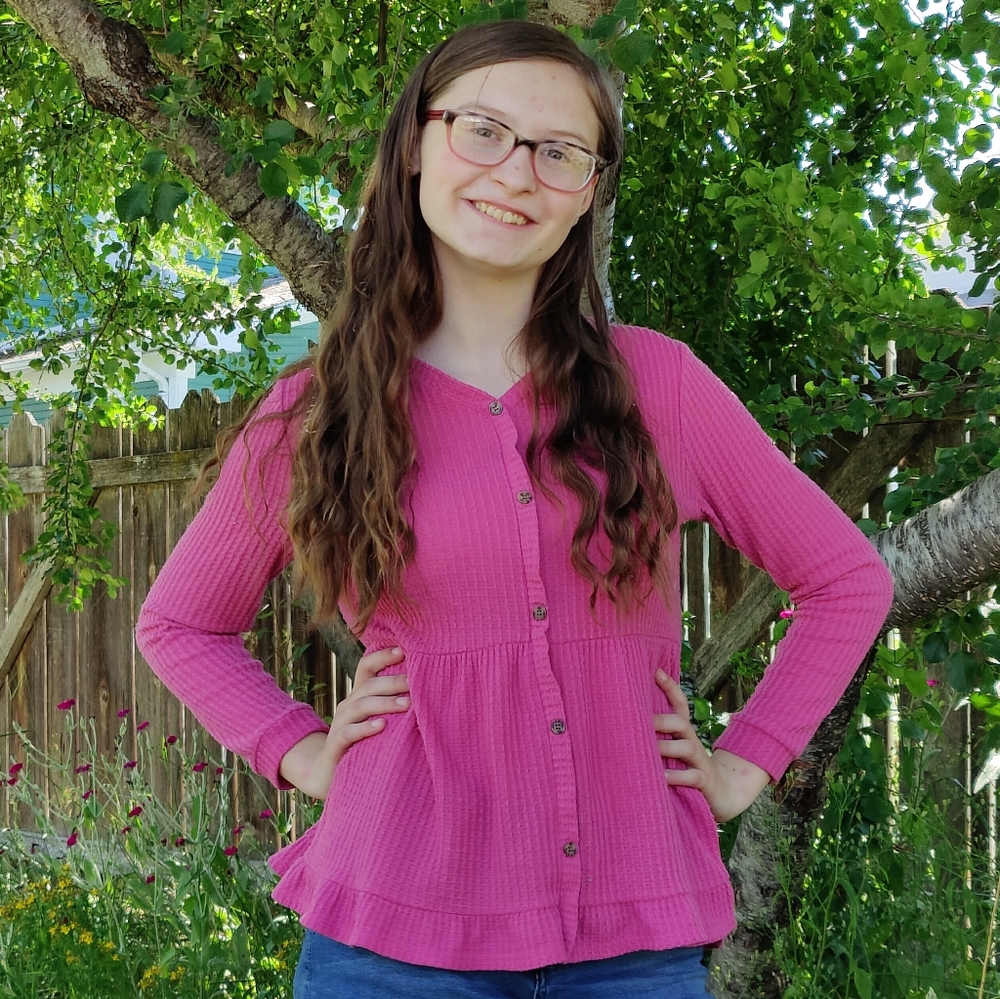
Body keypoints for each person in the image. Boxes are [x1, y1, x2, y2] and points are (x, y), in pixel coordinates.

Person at [135, 19, 894, 999]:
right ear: (418, 143)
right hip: (390, 945)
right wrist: (306, 753)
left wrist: (746, 762)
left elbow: (845, 581)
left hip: (631, 946)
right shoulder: (320, 412)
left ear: (587, 192)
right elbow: (180, 624)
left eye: (559, 151)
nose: (517, 172)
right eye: (484, 130)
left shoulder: (658, 386)